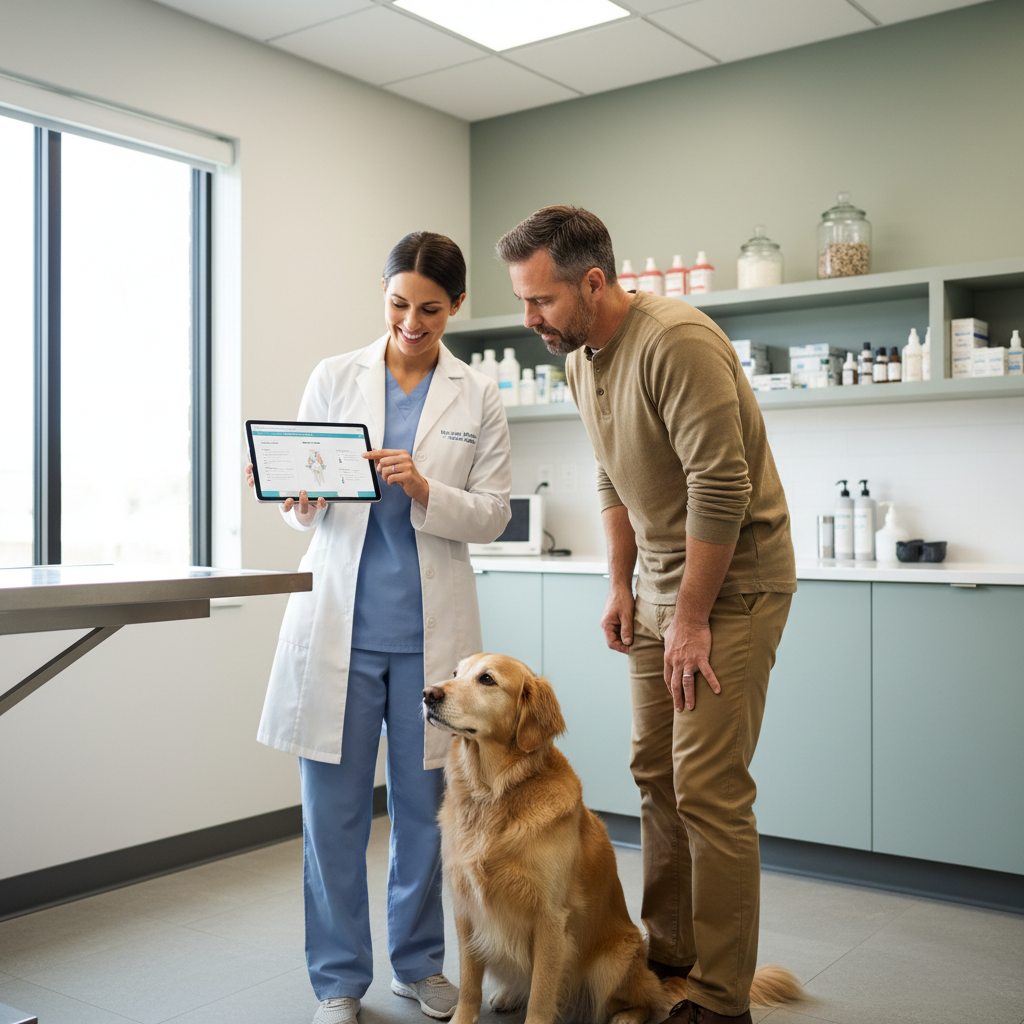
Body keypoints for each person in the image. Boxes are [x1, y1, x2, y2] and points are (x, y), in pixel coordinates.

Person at [496, 207, 796, 1024]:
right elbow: (610, 474)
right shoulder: (579, 357)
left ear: (593, 282)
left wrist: (690, 618)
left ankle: (723, 1000)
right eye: (523, 301)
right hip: (660, 586)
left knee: (708, 788)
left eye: (541, 300)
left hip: (731, 587)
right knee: (655, 775)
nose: (529, 319)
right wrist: (621, 584)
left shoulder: (676, 341)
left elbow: (720, 484)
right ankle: (671, 957)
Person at [250, 232, 512, 1024]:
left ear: (456, 305)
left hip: (432, 643)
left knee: (429, 815)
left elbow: (493, 514)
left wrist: (426, 488)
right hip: (342, 627)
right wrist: (299, 500)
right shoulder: (334, 377)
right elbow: (303, 507)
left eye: (430, 309)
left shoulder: (478, 394)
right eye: (399, 304)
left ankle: (419, 965)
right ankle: (337, 980)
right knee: (332, 816)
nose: (411, 322)